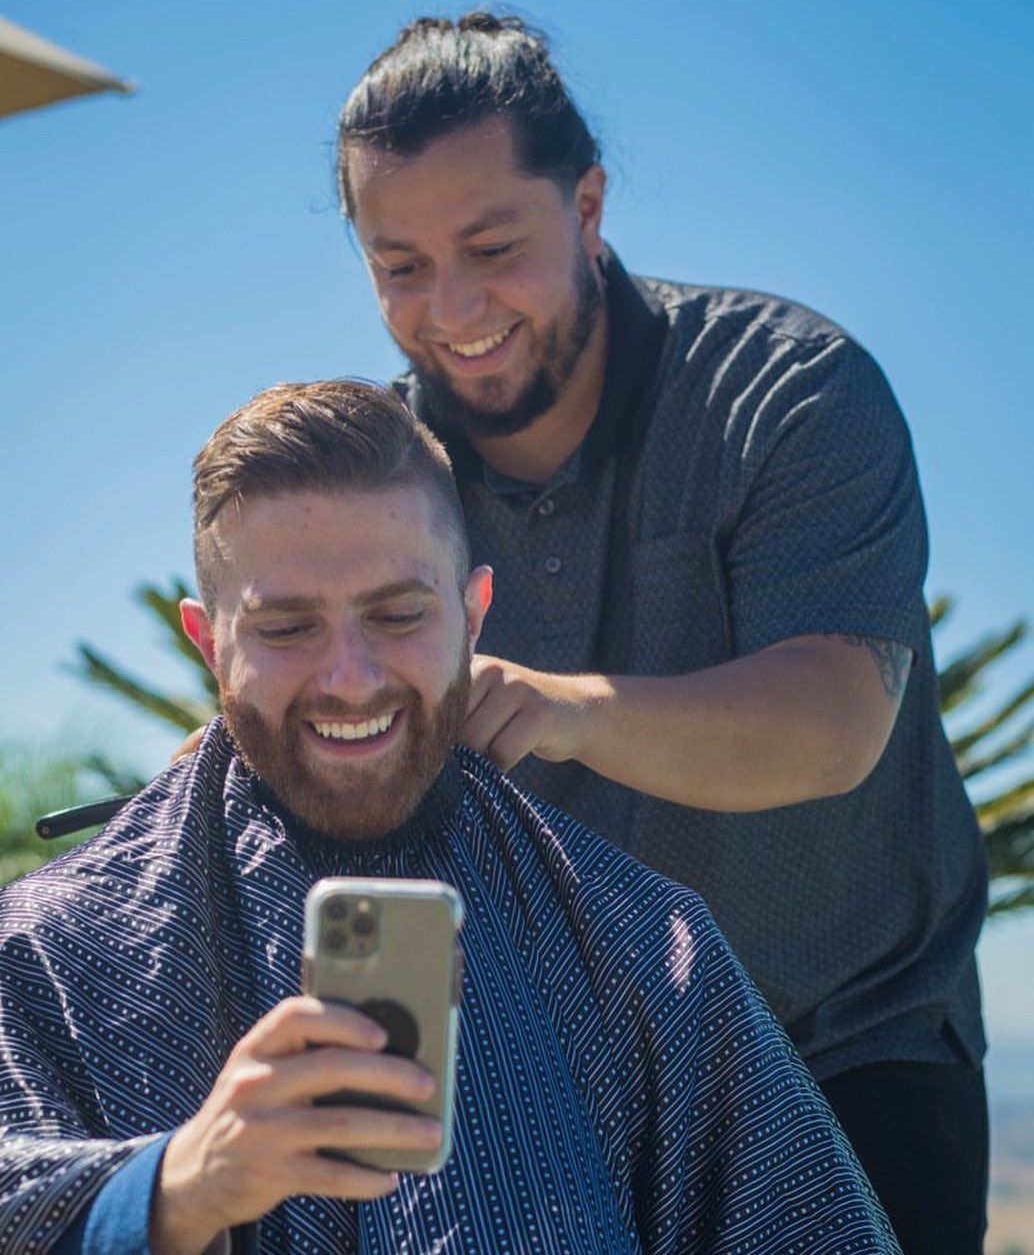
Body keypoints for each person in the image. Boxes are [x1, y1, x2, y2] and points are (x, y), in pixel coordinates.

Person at [333, 13, 989, 1254]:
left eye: (491, 246)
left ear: (585, 206)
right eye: (398, 266)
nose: (452, 308)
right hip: (550, 1087)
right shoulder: (373, 472)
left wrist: (562, 707)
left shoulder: (790, 391)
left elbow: (832, 724)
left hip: (848, 1052)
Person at [0, 381, 899, 1254]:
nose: (349, 676)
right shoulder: (52, 944)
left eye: (398, 613)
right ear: (210, 643)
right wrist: (174, 1186)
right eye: (285, 629)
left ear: (473, 615)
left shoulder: (646, 949)